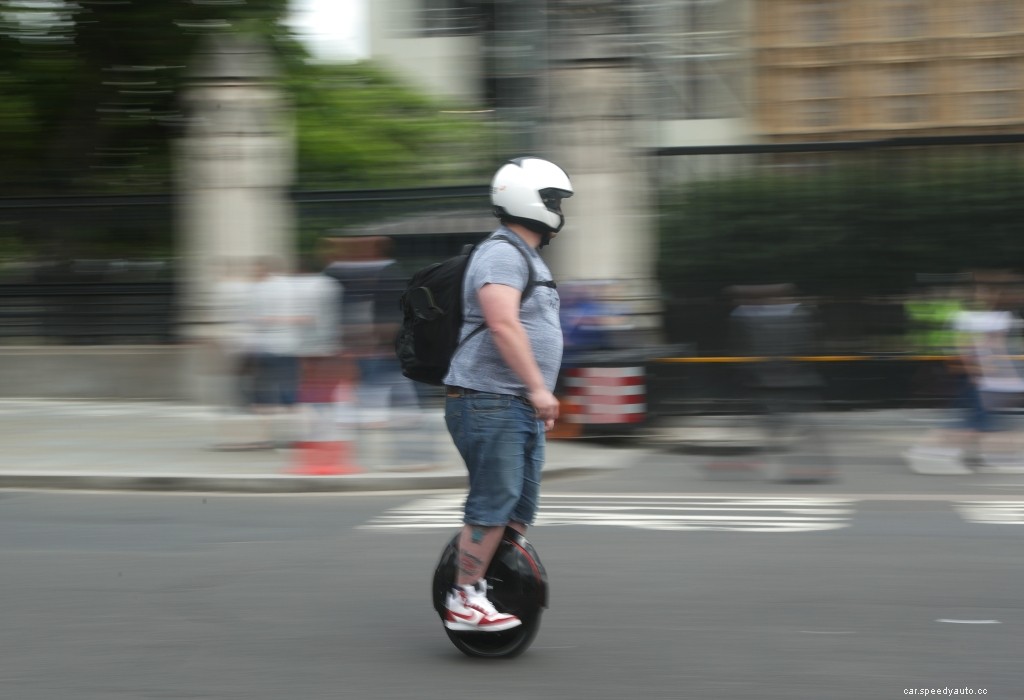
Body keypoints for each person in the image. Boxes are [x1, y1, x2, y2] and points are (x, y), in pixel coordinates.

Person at [441, 156, 573, 632]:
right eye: (552, 199)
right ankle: (463, 598)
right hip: (490, 399)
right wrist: (537, 387)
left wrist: (537, 396)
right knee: (494, 502)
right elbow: (501, 324)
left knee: (517, 509)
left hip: (513, 404)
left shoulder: (526, 255)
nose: (558, 208)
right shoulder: (502, 253)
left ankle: (483, 586)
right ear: (528, 200)